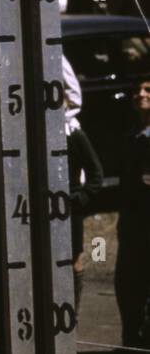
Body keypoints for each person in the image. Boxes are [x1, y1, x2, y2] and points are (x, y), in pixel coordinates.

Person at [62, 54, 102, 315]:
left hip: (70, 204)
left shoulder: (73, 133)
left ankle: (71, 315)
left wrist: (77, 200)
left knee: (74, 258)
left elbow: (96, 174)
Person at [115, 79, 150, 349]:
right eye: (137, 90)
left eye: (148, 90)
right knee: (128, 280)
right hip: (132, 216)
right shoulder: (130, 134)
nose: (140, 95)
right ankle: (132, 334)